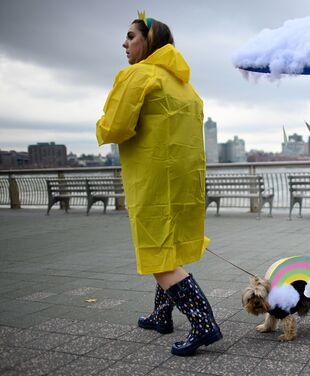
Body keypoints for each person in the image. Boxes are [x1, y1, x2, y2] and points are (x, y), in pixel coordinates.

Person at [96, 12, 222, 356]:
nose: (125, 43)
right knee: (170, 246)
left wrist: (100, 123)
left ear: (148, 42)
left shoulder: (139, 75)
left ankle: (203, 323)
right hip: (185, 182)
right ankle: (161, 314)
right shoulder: (185, 86)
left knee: (157, 255)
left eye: (131, 37)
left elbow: (115, 127)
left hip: (152, 180)